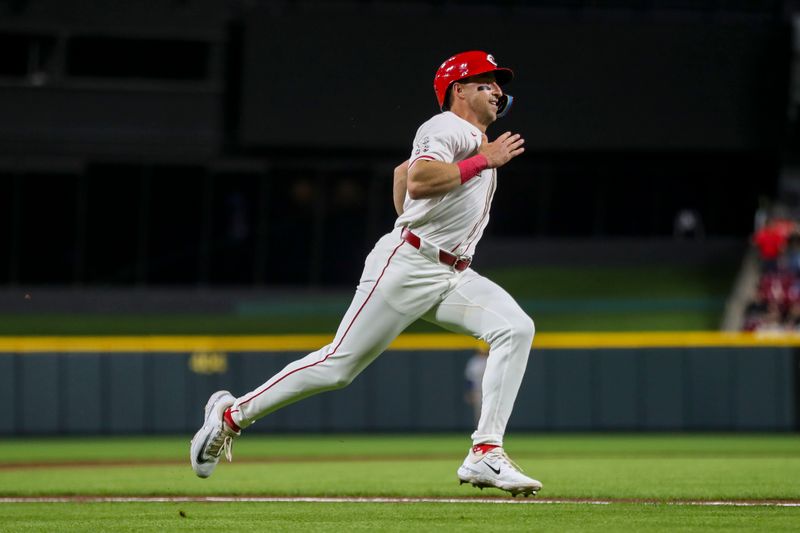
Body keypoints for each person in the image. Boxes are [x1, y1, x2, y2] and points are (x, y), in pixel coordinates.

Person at [190, 50, 542, 497]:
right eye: (485, 82)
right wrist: (482, 160)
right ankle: (231, 415)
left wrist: (438, 184)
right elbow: (418, 180)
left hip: (452, 272)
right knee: (338, 367)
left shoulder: (466, 137)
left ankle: (485, 452)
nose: (497, 90)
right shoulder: (446, 127)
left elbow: (404, 183)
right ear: (458, 90)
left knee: (515, 328)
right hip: (410, 265)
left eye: (498, 84)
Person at [464, 343, 490, 426]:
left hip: (490, 390)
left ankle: (491, 430)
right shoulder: (473, 361)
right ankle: (480, 431)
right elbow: (470, 378)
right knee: (479, 411)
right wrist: (470, 392)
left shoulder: (491, 360)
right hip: (478, 390)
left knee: (491, 410)